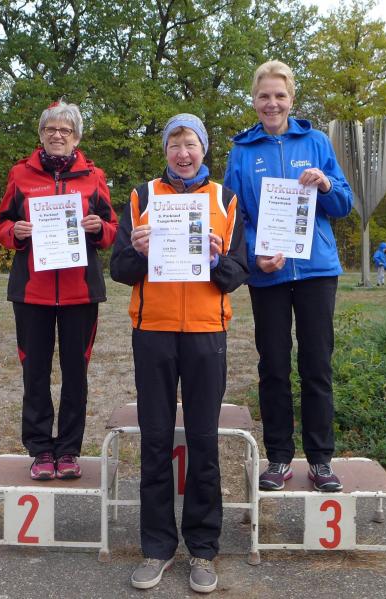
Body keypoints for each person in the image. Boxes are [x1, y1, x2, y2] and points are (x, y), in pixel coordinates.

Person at [110, 114, 248, 593]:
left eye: (190, 144)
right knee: (155, 441)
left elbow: (238, 272)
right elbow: (119, 269)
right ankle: (157, 547)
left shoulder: (225, 199)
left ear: (203, 149)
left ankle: (203, 549)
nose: (182, 153)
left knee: (204, 442)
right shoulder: (142, 196)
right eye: (174, 144)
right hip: (153, 331)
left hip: (207, 332)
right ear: (165, 150)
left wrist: (216, 259)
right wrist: (138, 251)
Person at [224, 60, 353, 493]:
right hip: (268, 275)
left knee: (317, 366)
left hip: (317, 271)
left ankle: (320, 460)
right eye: (264, 96)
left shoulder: (316, 142)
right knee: (274, 367)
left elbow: (344, 205)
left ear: (292, 99)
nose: (272, 103)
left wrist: (326, 185)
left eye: (280, 95)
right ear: (254, 100)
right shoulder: (242, 152)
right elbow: (232, 218)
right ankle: (278, 458)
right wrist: (255, 255)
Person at [0, 101, 118, 481]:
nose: (57, 135)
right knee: (35, 373)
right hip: (33, 292)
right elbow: (0, 225)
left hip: (80, 292)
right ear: (41, 135)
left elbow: (112, 229)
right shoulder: (20, 174)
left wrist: (98, 228)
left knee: (76, 374)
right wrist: (14, 232)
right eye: (51, 129)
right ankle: (41, 450)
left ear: (76, 137)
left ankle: (69, 450)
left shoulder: (93, 176)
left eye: (65, 130)